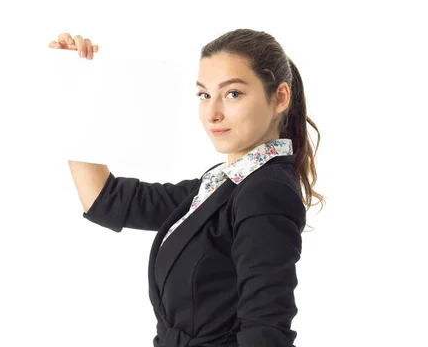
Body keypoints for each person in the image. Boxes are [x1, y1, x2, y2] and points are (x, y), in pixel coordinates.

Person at [49, 29, 324, 347]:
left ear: (279, 98)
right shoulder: (223, 183)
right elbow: (106, 201)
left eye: (233, 93)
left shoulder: (264, 193)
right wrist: (75, 86)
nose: (213, 113)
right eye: (204, 95)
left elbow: (265, 332)